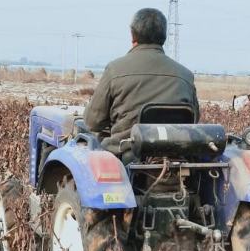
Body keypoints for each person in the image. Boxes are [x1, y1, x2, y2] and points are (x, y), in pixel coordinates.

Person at [83, 8, 199, 154]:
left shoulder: (115, 69)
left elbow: (92, 122)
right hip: (177, 155)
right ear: (163, 37)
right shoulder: (185, 75)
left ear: (133, 36)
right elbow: (194, 120)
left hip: (126, 153)